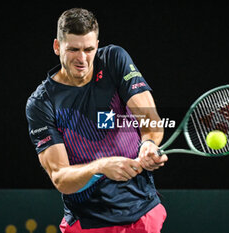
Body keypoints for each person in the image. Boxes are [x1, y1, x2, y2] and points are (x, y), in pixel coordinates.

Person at [25, 8, 168, 233]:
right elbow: (60, 177)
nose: (82, 59)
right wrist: (101, 167)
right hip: (88, 221)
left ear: (97, 45)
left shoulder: (114, 60)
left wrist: (149, 143)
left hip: (142, 212)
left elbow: (151, 120)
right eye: (73, 49)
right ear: (57, 46)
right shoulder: (42, 103)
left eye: (89, 49)